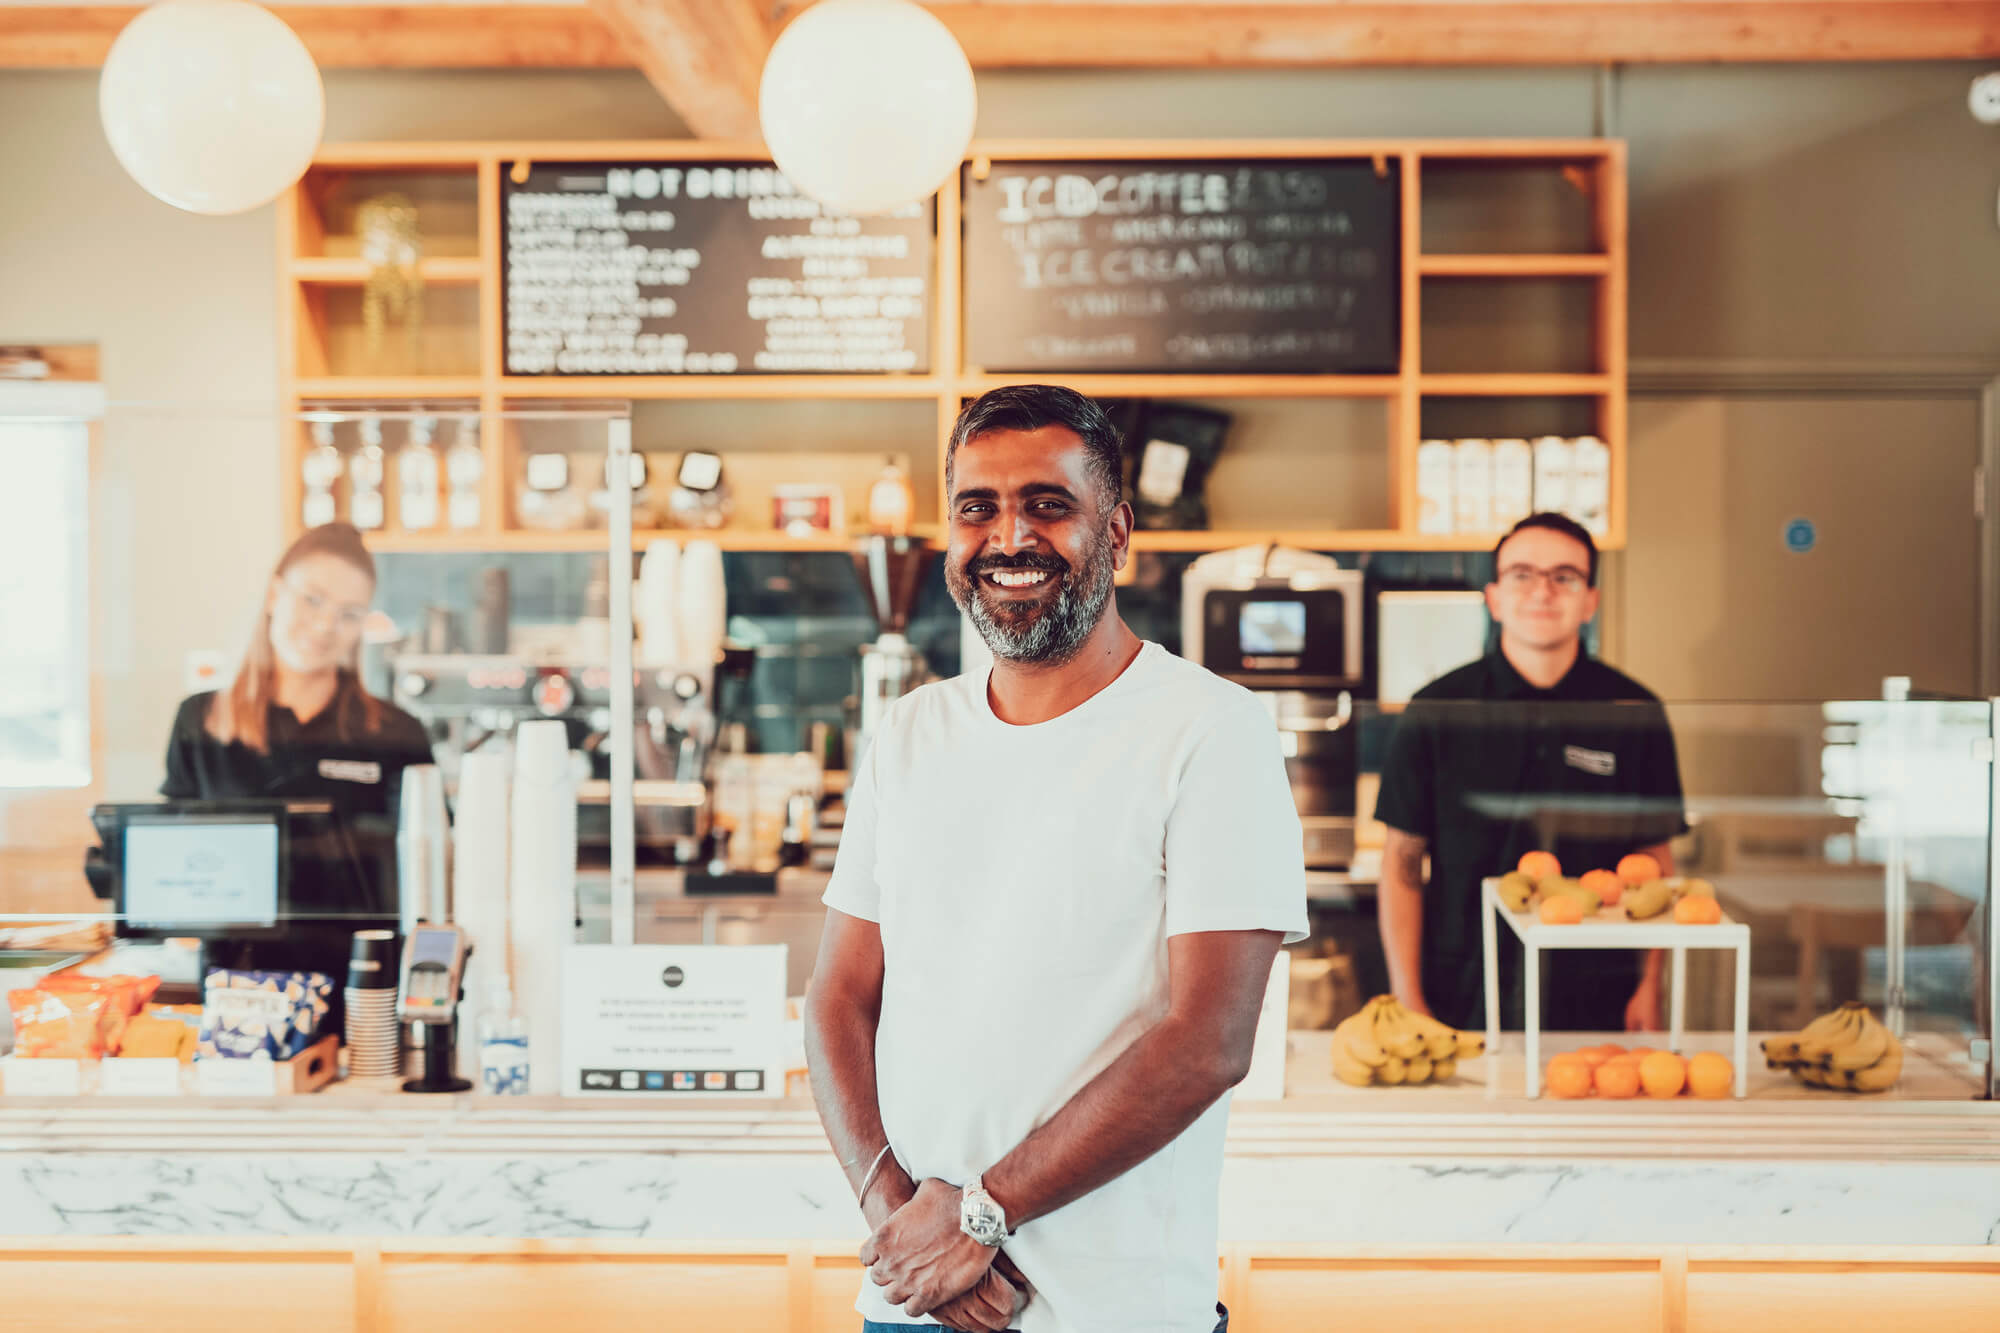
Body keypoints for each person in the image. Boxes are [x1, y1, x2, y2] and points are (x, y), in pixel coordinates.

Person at [805, 384, 1307, 1333]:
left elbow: (1210, 1038)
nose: (1008, 537)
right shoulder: (911, 732)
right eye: (976, 508)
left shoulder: (1213, 730)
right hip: (913, 1301)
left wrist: (984, 1214)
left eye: (1047, 504)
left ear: (1116, 535)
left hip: (1114, 1312)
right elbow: (838, 995)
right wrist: (903, 1225)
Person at [1374, 512, 1687, 1035]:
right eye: (1522, 574)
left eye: (1564, 576)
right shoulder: (1436, 709)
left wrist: (1648, 986)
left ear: (1591, 599)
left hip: (1598, 991)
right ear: (1494, 597)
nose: (1543, 591)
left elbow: (1654, 863)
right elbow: (1402, 864)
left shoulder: (1634, 710)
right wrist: (1410, 999)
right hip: (1459, 990)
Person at [162, 521, 432, 810]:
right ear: (274, 595)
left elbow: (432, 844)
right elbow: (174, 842)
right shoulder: (200, 721)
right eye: (312, 600)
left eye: (350, 614)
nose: (325, 625)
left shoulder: (399, 734)